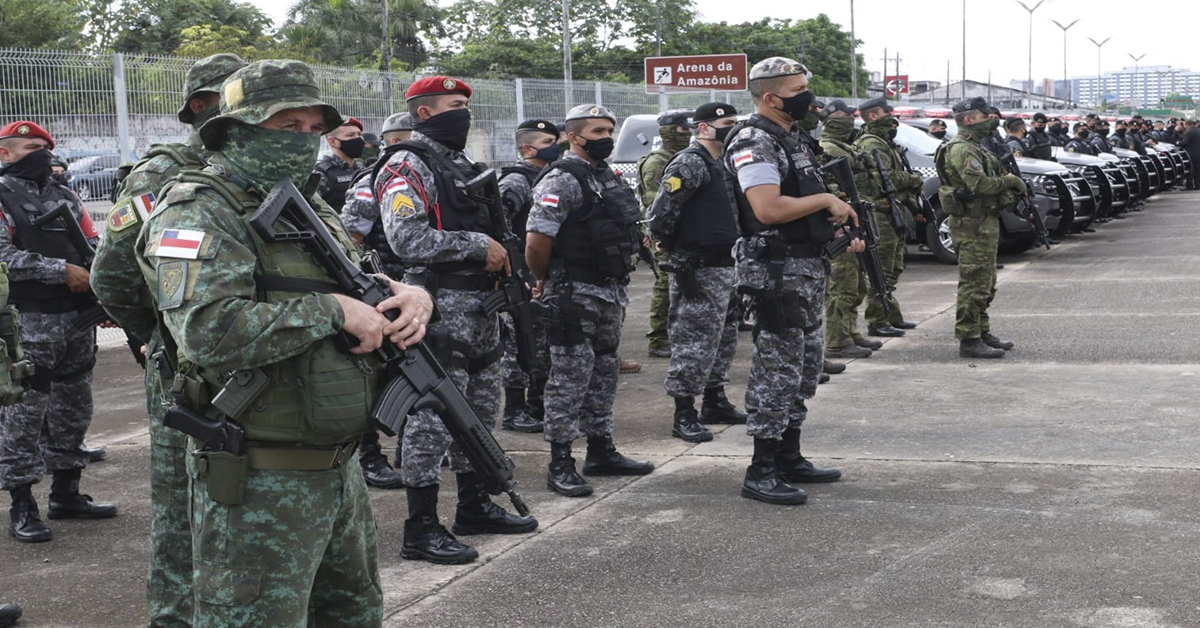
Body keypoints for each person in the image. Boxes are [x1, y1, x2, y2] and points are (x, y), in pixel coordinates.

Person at [136, 59, 433, 626]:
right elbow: (206, 332)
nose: (303, 141)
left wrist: (410, 296)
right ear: (236, 130)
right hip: (258, 476)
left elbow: (358, 282)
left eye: (311, 129)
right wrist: (328, 312)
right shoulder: (197, 209)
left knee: (353, 613)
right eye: (285, 126)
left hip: (337, 464)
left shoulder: (306, 202)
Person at [91, 52, 244, 627]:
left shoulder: (263, 169)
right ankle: (177, 617)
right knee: (183, 504)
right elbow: (112, 275)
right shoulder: (164, 172)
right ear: (202, 108)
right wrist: (160, 332)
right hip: (188, 366)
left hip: (260, 363)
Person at [374, 75, 537, 564]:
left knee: (479, 414)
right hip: (438, 310)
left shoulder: (462, 165)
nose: (463, 112)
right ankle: (420, 526)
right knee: (430, 419)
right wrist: (476, 246)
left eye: (466, 103)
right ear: (425, 113)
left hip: (481, 313)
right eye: (453, 104)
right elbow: (407, 240)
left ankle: (474, 505)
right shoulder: (407, 164)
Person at [723, 57, 854, 506]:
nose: (808, 96)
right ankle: (760, 469)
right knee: (776, 369)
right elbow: (768, 209)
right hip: (776, 272)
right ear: (770, 97)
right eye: (798, 89)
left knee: (803, 368)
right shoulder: (753, 139)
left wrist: (833, 222)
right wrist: (824, 199)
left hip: (805, 267)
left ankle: (789, 455)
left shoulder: (792, 137)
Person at [526, 103, 656, 498]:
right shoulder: (562, 180)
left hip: (609, 292)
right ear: (574, 137)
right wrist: (545, 280)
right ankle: (560, 462)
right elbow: (536, 242)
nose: (606, 138)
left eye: (609, 130)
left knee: (604, 374)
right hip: (572, 294)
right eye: (597, 132)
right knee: (568, 380)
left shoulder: (606, 176)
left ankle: (600, 450)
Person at [0, 120, 116, 544]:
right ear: (6, 154)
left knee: (74, 406)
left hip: (76, 321)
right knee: (23, 417)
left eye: (45, 148)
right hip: (27, 323)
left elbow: (93, 243)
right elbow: (2, 255)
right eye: (31, 147)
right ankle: (22, 503)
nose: (42, 156)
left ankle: (66, 493)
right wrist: (59, 271)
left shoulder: (66, 194)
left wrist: (101, 290)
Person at [645, 102, 747, 443]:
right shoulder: (690, 162)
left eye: (735, 122)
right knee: (695, 340)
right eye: (726, 123)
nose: (732, 128)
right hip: (699, 266)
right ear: (703, 128)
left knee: (724, 336)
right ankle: (684, 411)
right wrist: (668, 243)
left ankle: (714, 400)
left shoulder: (724, 162)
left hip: (727, 263)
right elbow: (661, 212)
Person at [935, 97, 1023, 359]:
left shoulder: (977, 147)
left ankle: (981, 330)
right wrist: (1011, 181)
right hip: (971, 224)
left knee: (986, 282)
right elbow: (979, 185)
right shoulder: (962, 149)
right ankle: (969, 338)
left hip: (983, 222)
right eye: (986, 118)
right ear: (969, 119)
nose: (991, 122)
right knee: (974, 283)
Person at [496, 119, 560, 434]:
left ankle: (536, 404)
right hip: (519, 276)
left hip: (539, 275)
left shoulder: (547, 177)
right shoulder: (517, 182)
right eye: (548, 141)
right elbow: (498, 227)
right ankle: (514, 409)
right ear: (528, 148)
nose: (555, 146)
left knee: (539, 343)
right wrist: (517, 272)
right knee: (518, 342)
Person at [854, 97, 920, 339]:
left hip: (891, 211)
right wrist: (913, 180)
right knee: (880, 271)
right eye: (887, 112)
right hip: (880, 213)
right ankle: (877, 320)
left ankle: (891, 314)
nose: (892, 117)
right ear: (873, 116)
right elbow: (888, 179)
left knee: (894, 267)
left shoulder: (883, 143)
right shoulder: (872, 144)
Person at [818, 99, 876, 362]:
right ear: (830, 118)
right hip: (838, 223)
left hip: (854, 218)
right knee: (841, 284)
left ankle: (850, 332)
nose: (850, 118)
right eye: (844, 114)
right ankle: (837, 340)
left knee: (856, 284)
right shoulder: (826, 148)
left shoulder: (847, 147)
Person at [638, 108, 693, 360]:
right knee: (663, 284)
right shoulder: (657, 162)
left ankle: (674, 333)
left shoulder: (677, 157)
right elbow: (654, 203)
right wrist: (658, 234)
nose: (688, 132)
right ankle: (658, 338)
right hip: (662, 234)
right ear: (670, 131)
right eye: (683, 129)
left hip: (679, 232)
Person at [314, 116, 366, 211]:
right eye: (350, 135)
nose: (358, 139)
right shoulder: (321, 174)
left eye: (359, 134)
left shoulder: (362, 168)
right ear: (332, 141)